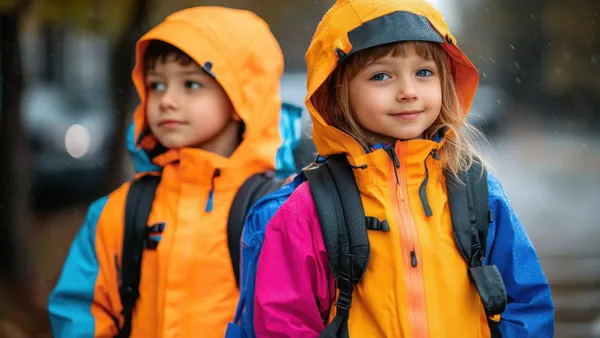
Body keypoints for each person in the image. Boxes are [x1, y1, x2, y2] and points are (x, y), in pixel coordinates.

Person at [252, 0, 555, 336]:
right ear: (337, 93)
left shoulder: (477, 191)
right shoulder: (308, 209)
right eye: (381, 75)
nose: (408, 92)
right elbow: (283, 322)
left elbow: (527, 303)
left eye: (424, 72)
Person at [48, 6, 299, 337]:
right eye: (157, 85)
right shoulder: (120, 212)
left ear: (243, 98)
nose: (167, 100)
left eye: (191, 84)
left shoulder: (280, 211)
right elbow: (81, 311)